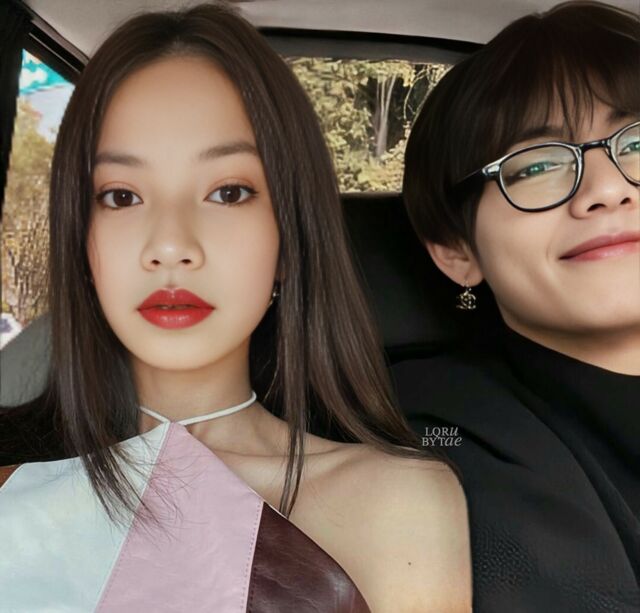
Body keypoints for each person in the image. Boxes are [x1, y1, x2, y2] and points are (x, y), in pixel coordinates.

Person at [0, 3, 472, 612]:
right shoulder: (13, 477)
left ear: (288, 240)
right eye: (121, 196)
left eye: (228, 192)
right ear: (80, 241)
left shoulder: (399, 504)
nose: (171, 245)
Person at [395, 1, 639, 611]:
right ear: (456, 250)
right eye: (537, 165)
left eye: (637, 141)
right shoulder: (442, 429)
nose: (607, 188)